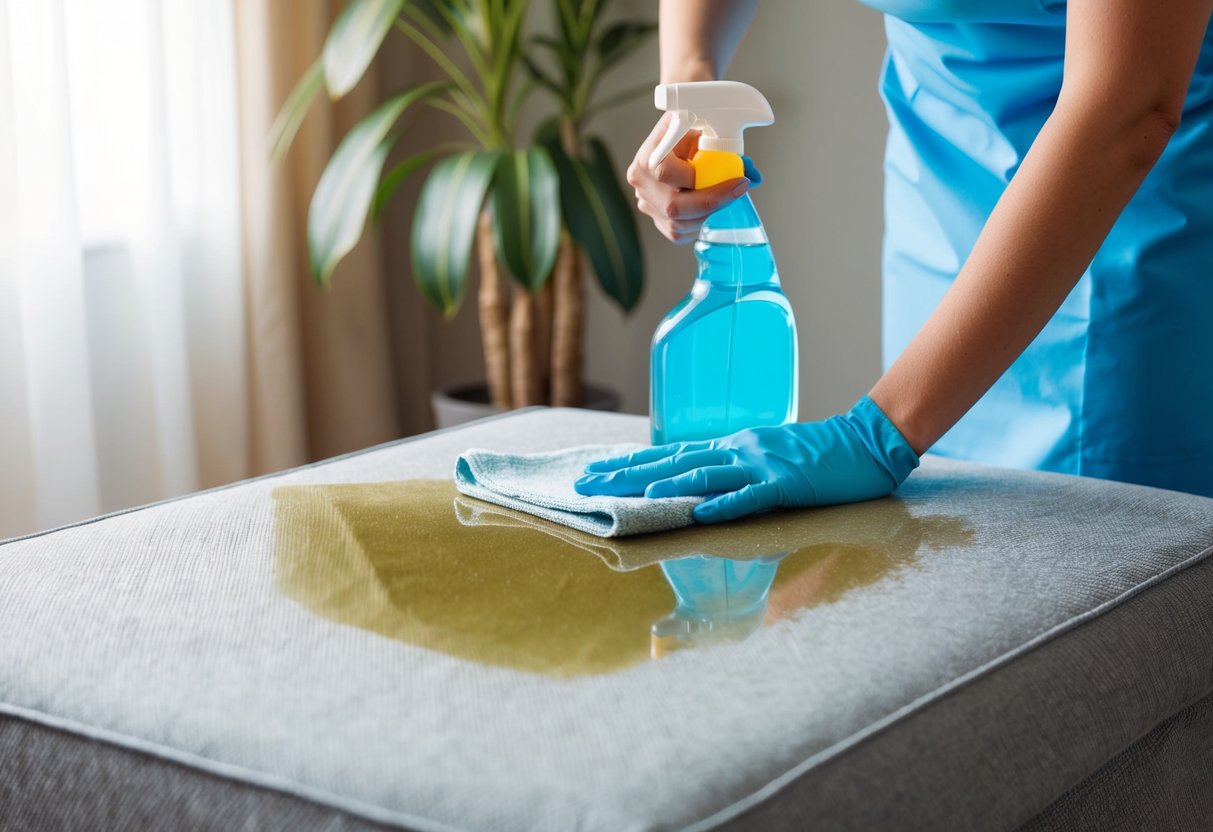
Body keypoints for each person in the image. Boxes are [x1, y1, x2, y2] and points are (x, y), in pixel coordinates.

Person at [574, 0, 1213, 522]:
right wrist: (691, 87)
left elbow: (1129, 104)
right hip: (937, 195)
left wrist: (878, 433)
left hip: (1121, 230)